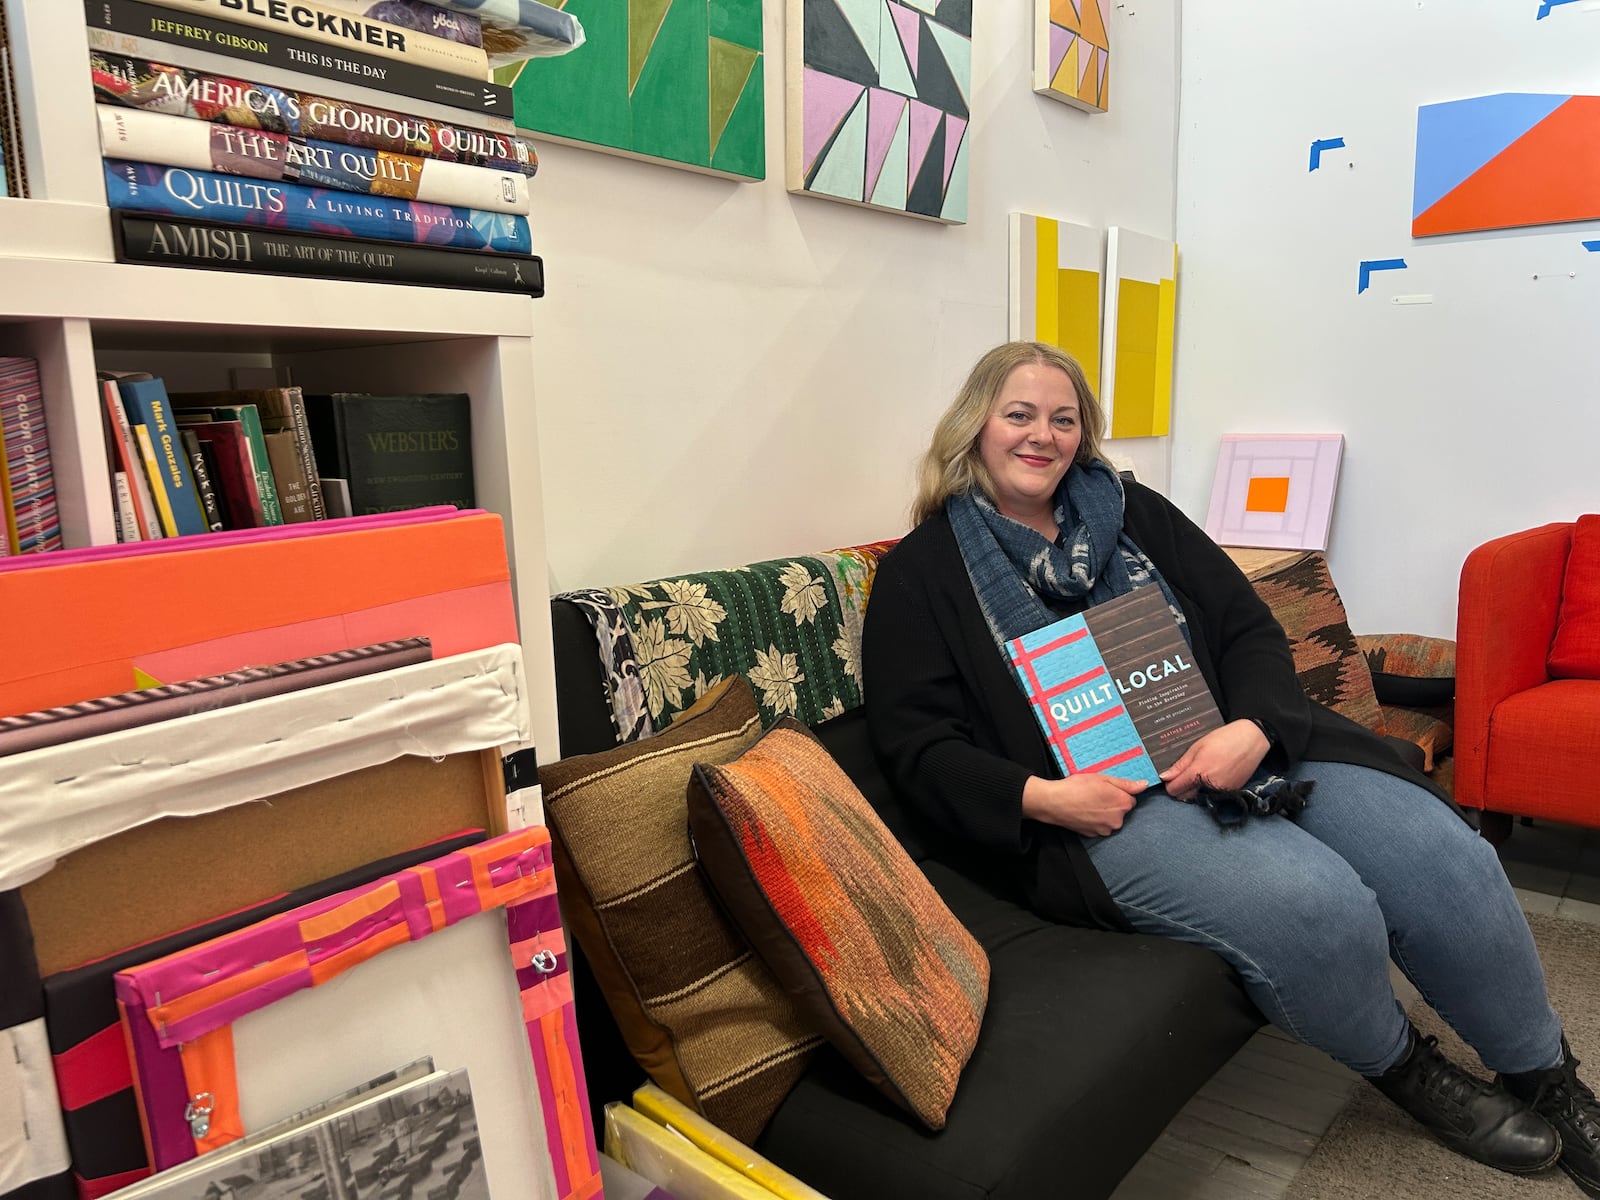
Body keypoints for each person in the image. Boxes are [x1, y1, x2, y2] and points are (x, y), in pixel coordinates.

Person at [861, 340, 1600, 1191]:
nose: (1043, 435)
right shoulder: (924, 573)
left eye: (1064, 418)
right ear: (975, 425)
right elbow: (916, 747)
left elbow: (1248, 627)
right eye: (1019, 414)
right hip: (1107, 810)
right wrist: (1046, 800)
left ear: (1084, 434)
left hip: (1245, 747)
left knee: (1447, 857)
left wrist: (1251, 727)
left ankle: (1546, 1075)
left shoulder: (1131, 511)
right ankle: (1405, 1069)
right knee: (1318, 904)